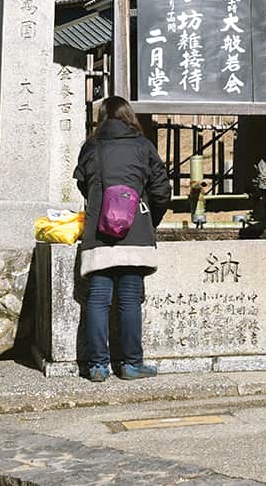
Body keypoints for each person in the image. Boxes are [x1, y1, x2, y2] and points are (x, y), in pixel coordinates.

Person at [74, 96, 172, 381]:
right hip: (135, 230)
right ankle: (131, 364)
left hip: (98, 232)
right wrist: (147, 219)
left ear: (102, 118)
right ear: (129, 116)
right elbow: (161, 189)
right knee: (130, 297)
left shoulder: (91, 147)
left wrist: (100, 208)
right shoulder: (143, 146)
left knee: (97, 297)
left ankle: (97, 366)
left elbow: (83, 183)